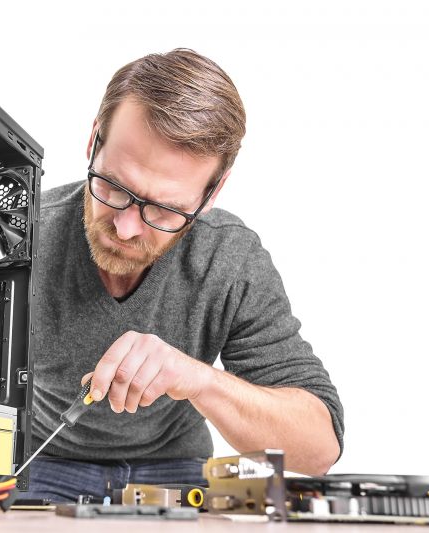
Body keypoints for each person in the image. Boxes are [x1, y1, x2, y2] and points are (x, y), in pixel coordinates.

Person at [21, 49, 343, 502]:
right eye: (114, 186)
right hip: (40, 465)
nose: (127, 227)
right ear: (94, 140)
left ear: (212, 193)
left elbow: (317, 452)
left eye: (165, 209)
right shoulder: (18, 235)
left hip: (177, 474)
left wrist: (197, 379)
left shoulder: (228, 257)